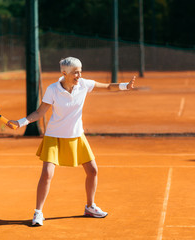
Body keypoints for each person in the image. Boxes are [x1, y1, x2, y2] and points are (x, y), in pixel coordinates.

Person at [7, 57, 136, 226]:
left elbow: (106, 87)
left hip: (76, 136)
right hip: (54, 136)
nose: (79, 75)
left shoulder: (83, 84)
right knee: (47, 174)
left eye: (80, 71)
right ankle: (38, 213)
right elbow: (39, 113)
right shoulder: (53, 89)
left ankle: (90, 207)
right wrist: (21, 122)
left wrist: (125, 86)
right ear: (64, 73)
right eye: (75, 72)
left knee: (93, 171)